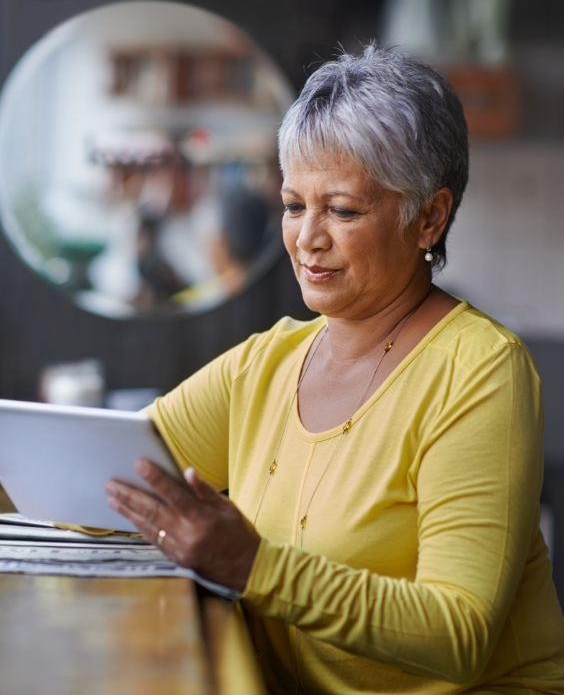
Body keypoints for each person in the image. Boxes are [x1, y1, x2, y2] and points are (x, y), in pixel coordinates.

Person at [105, 45, 564, 694]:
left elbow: (458, 633)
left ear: (429, 217)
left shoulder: (479, 371)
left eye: (342, 210)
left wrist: (253, 564)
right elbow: (101, 474)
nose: (307, 238)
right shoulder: (267, 363)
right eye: (294, 206)